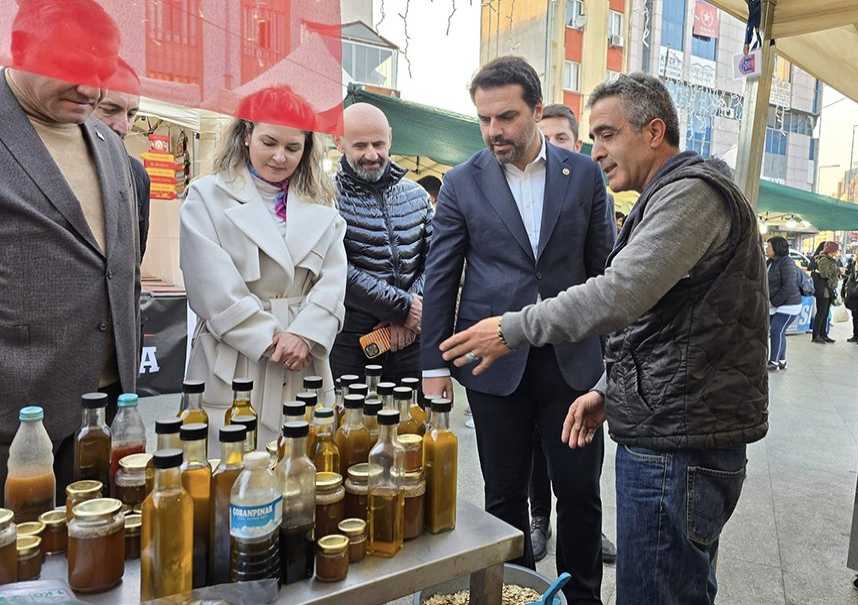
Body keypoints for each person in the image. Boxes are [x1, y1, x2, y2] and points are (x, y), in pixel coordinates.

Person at [438, 72, 769, 604]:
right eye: (593, 137)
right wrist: (608, 390)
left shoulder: (691, 195)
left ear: (654, 132)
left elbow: (617, 294)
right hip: (668, 428)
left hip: (678, 442)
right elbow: (662, 323)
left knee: (654, 591)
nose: (596, 151)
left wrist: (511, 327)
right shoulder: (669, 194)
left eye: (608, 134)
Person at [421, 57, 614, 604]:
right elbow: (441, 277)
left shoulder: (584, 176)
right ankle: (521, 595)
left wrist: (610, 361)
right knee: (503, 495)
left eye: (506, 117)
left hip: (572, 362)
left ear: (536, 109)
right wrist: (434, 367)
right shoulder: (461, 182)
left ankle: (580, 599)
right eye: (484, 119)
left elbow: (605, 273)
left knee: (578, 491)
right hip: (493, 365)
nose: (493, 131)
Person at [0, 0, 141, 504]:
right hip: (16, 418)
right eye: (73, 69)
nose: (91, 90)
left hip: (108, 411)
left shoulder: (108, 143)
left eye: (101, 72)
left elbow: (120, 268)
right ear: (20, 49)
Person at [180, 86, 347, 438]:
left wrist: (305, 334)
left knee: (302, 461)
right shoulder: (206, 196)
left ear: (307, 149)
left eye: (292, 148)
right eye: (269, 142)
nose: (279, 157)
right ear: (246, 135)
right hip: (232, 360)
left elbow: (334, 281)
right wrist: (272, 339)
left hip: (303, 359)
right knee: (227, 461)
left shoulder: (323, 205)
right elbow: (211, 288)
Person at [529, 102, 617, 564]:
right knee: (533, 453)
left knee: (580, 457)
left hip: (576, 349)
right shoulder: (517, 189)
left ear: (576, 143)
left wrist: (603, 355)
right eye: (543, 138)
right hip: (523, 348)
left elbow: (604, 270)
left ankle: (584, 531)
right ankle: (537, 518)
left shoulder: (590, 185)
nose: (551, 147)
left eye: (560, 138)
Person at [331, 103, 432, 382]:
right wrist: (403, 308)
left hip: (413, 342)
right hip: (350, 346)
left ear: (390, 138)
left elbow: (439, 260)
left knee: (417, 411)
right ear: (338, 142)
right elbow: (335, 268)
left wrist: (411, 314)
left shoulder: (417, 195)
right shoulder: (325, 197)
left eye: (378, 144)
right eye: (360, 145)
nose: (371, 154)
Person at [93, 59, 150, 259]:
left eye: (131, 114)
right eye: (110, 110)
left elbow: (135, 257)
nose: (124, 126)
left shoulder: (136, 174)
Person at [766, 236, 802, 370]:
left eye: (769, 246)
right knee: (779, 331)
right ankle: (781, 360)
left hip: (789, 305)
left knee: (776, 330)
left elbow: (789, 286)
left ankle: (773, 362)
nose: (767, 249)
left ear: (777, 248)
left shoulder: (787, 262)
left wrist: (774, 302)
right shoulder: (770, 262)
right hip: (776, 304)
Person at [812, 241, 842, 344]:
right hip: (824, 289)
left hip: (828, 289)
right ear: (832, 250)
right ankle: (816, 335)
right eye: (836, 250)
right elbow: (824, 274)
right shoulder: (824, 259)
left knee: (825, 314)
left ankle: (823, 334)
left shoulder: (830, 259)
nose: (837, 252)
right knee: (821, 313)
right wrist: (836, 272)